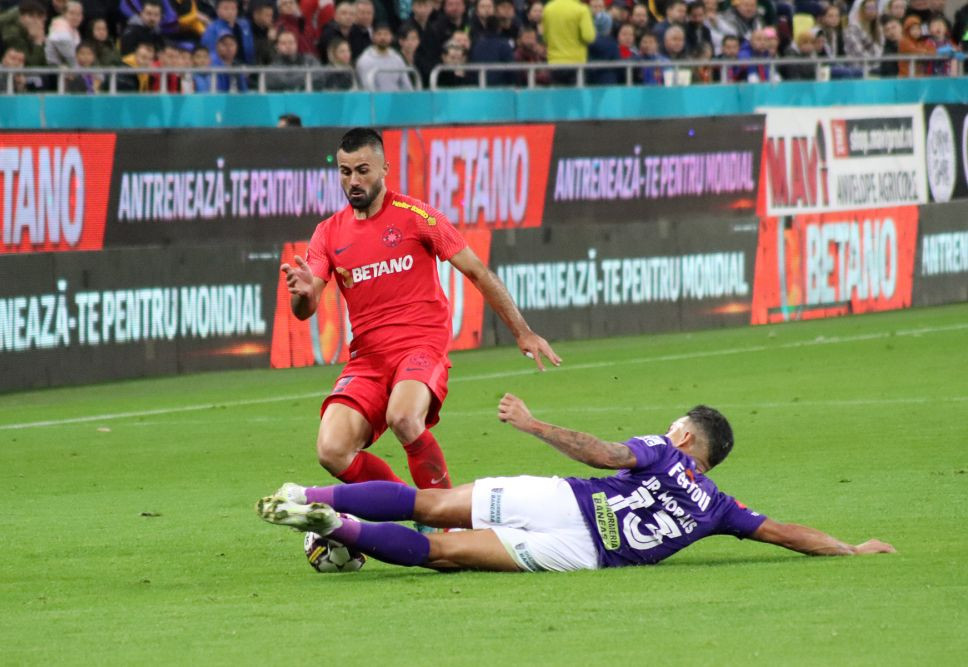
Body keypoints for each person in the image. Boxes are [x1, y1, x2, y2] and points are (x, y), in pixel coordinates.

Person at [257, 394, 896, 571]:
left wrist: (535, 425)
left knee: (431, 506)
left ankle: (312, 500)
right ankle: (339, 529)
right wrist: (849, 548)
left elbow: (602, 453)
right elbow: (785, 534)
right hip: (579, 553)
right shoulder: (718, 508)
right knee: (444, 552)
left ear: (685, 437)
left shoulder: (659, 453)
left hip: (565, 498)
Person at [277, 128, 560, 495]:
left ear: (385, 169)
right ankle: (411, 505)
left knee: (403, 417)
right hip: (368, 359)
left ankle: (448, 521)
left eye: (363, 170)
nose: (354, 181)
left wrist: (522, 331)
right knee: (331, 450)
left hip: (420, 348)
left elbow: (477, 271)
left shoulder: (417, 216)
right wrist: (300, 293)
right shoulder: (327, 233)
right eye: (345, 172)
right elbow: (305, 309)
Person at [541, 0, 595, 84]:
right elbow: (588, 37)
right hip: (576, 63)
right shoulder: (582, 9)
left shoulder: (548, 8)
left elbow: (545, 37)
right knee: (576, 96)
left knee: (558, 95)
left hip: (554, 62)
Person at [356, 22, 414, 90]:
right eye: (379, 34)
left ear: (391, 37)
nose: (383, 37)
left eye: (386, 34)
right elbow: (366, 87)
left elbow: (406, 85)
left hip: (396, 99)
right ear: (373, 37)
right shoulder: (365, 60)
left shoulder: (397, 58)